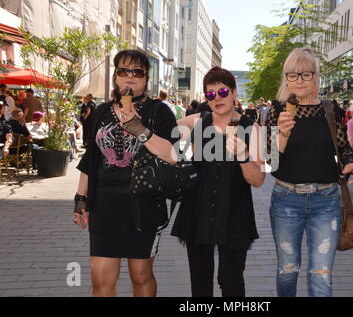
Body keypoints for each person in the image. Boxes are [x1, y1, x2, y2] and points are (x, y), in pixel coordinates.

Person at [73, 49, 178, 297]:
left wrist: (137, 127)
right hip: (104, 206)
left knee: (140, 276)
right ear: (116, 77)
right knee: (100, 278)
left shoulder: (159, 112)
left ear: (146, 79)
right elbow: (90, 160)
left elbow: (173, 155)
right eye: (124, 70)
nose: (130, 76)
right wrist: (80, 199)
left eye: (137, 71)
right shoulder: (101, 112)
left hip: (144, 206)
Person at [266, 47, 353, 297]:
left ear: (316, 77)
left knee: (321, 276)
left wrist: (351, 162)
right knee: (287, 271)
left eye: (305, 74)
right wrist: (282, 135)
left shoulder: (330, 109)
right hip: (286, 200)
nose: (298, 80)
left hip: (326, 201)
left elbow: (343, 146)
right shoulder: (277, 111)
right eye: (292, 74)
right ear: (286, 78)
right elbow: (270, 160)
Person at [171, 66, 265, 297]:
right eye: (211, 94)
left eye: (223, 92)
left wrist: (243, 156)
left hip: (235, 215)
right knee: (200, 285)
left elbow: (258, 180)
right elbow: (166, 145)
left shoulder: (251, 128)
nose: (217, 98)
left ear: (234, 93)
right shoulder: (193, 122)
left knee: (231, 281)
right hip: (198, 212)